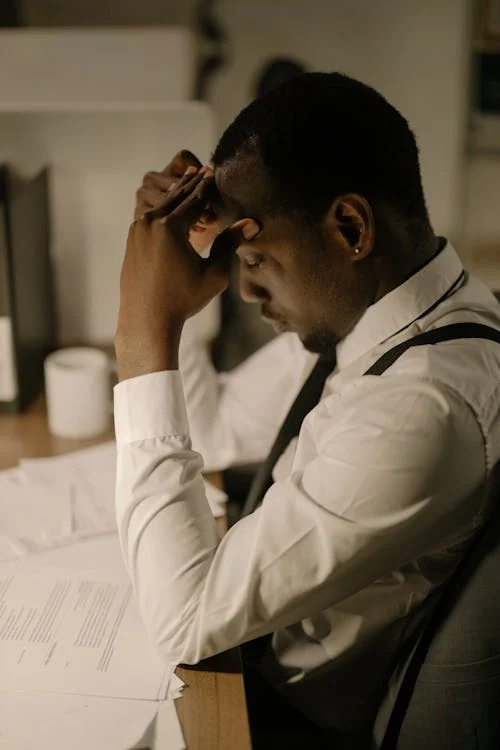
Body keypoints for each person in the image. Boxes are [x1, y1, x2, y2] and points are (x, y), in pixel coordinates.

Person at [114, 73, 500, 748]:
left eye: (257, 256)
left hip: (271, 717)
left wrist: (142, 332)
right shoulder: (395, 318)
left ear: (350, 228)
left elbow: (183, 619)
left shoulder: (420, 407)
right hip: (240, 663)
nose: (245, 288)